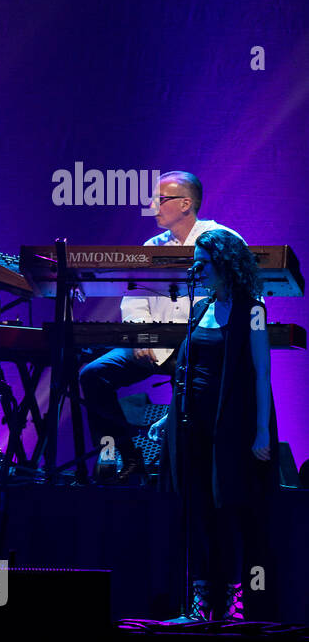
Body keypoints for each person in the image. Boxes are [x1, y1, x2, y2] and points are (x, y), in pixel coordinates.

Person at [79, 171, 243, 484]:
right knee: (93, 374)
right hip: (154, 343)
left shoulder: (222, 239)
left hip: (203, 348)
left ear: (186, 204)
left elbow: (245, 292)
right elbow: (135, 298)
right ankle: (126, 459)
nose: (153, 205)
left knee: (191, 388)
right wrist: (140, 335)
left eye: (161, 199)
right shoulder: (151, 246)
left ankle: (189, 473)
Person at [148, 229, 275, 621]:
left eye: (202, 262)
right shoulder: (201, 308)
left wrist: (262, 431)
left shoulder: (251, 309)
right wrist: (170, 416)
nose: (196, 269)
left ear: (224, 262)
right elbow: (190, 374)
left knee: (229, 512)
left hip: (231, 429)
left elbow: (260, 373)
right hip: (192, 427)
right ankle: (201, 606)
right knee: (197, 513)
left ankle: (235, 605)